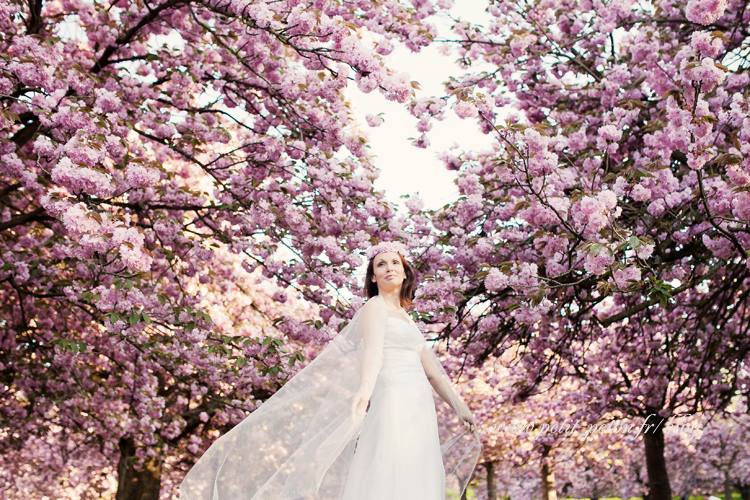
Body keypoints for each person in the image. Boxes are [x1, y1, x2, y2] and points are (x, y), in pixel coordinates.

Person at [180, 241, 482, 500]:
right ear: (373, 277)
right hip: (393, 395)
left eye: (395, 262)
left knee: (419, 465)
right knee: (391, 462)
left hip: (420, 404)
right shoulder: (374, 308)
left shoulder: (406, 317)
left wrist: (461, 407)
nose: (389, 267)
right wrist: (364, 393)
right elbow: (374, 354)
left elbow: (433, 372)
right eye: (380, 265)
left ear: (405, 272)